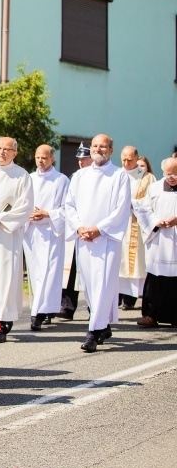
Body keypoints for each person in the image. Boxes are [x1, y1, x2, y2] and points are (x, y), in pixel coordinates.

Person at [64, 133, 131, 353]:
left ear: (111, 150)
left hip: (106, 239)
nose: (98, 149)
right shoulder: (79, 176)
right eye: (95, 146)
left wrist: (98, 229)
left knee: (103, 284)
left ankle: (93, 332)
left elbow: (121, 209)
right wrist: (79, 227)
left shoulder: (119, 176)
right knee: (91, 285)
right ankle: (103, 325)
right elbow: (70, 206)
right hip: (85, 237)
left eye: (103, 146)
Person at [0, 137, 34, 343]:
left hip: (6, 234)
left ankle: (2, 323)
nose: (1, 152)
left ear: (15, 153)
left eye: (6, 149)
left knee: (5, 277)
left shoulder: (21, 176)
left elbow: (25, 206)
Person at [23, 145, 70, 330]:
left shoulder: (61, 180)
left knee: (48, 274)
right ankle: (40, 310)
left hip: (50, 231)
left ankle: (38, 314)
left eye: (44, 157)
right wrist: (29, 213)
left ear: (52, 159)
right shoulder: (29, 179)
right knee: (35, 274)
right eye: (37, 157)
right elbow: (22, 203)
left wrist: (47, 213)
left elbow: (67, 208)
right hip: (32, 232)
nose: (40, 161)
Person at [133, 157, 177, 327]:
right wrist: (156, 222)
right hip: (159, 239)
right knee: (155, 278)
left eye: (174, 174)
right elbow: (143, 210)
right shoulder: (155, 188)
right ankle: (151, 315)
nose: (171, 177)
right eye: (168, 174)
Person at [117, 146, 156, 310]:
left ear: (137, 158)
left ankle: (134, 300)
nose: (126, 163)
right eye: (123, 159)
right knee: (117, 263)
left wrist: (135, 204)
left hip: (136, 226)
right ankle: (115, 299)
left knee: (136, 264)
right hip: (117, 225)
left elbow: (153, 201)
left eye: (130, 160)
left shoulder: (148, 178)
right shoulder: (115, 175)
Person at [59, 142, 93, 320]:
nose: (81, 162)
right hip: (76, 226)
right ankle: (68, 306)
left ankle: (93, 309)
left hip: (92, 228)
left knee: (90, 271)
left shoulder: (97, 176)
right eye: (79, 159)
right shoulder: (75, 176)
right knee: (70, 268)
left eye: (84, 158)